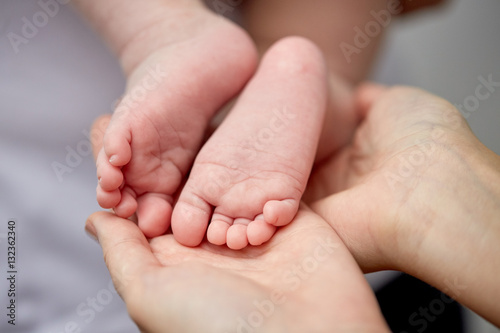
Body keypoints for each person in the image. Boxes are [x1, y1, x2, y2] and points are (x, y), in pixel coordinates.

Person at [86, 74, 500, 332]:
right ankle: (298, 73)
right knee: (328, 60)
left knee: (323, 68)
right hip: (401, 283)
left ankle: (179, 44)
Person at [75, 0, 444, 249]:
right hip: (386, 261)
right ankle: (313, 78)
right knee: (331, 55)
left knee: (144, 19)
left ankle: (164, 32)